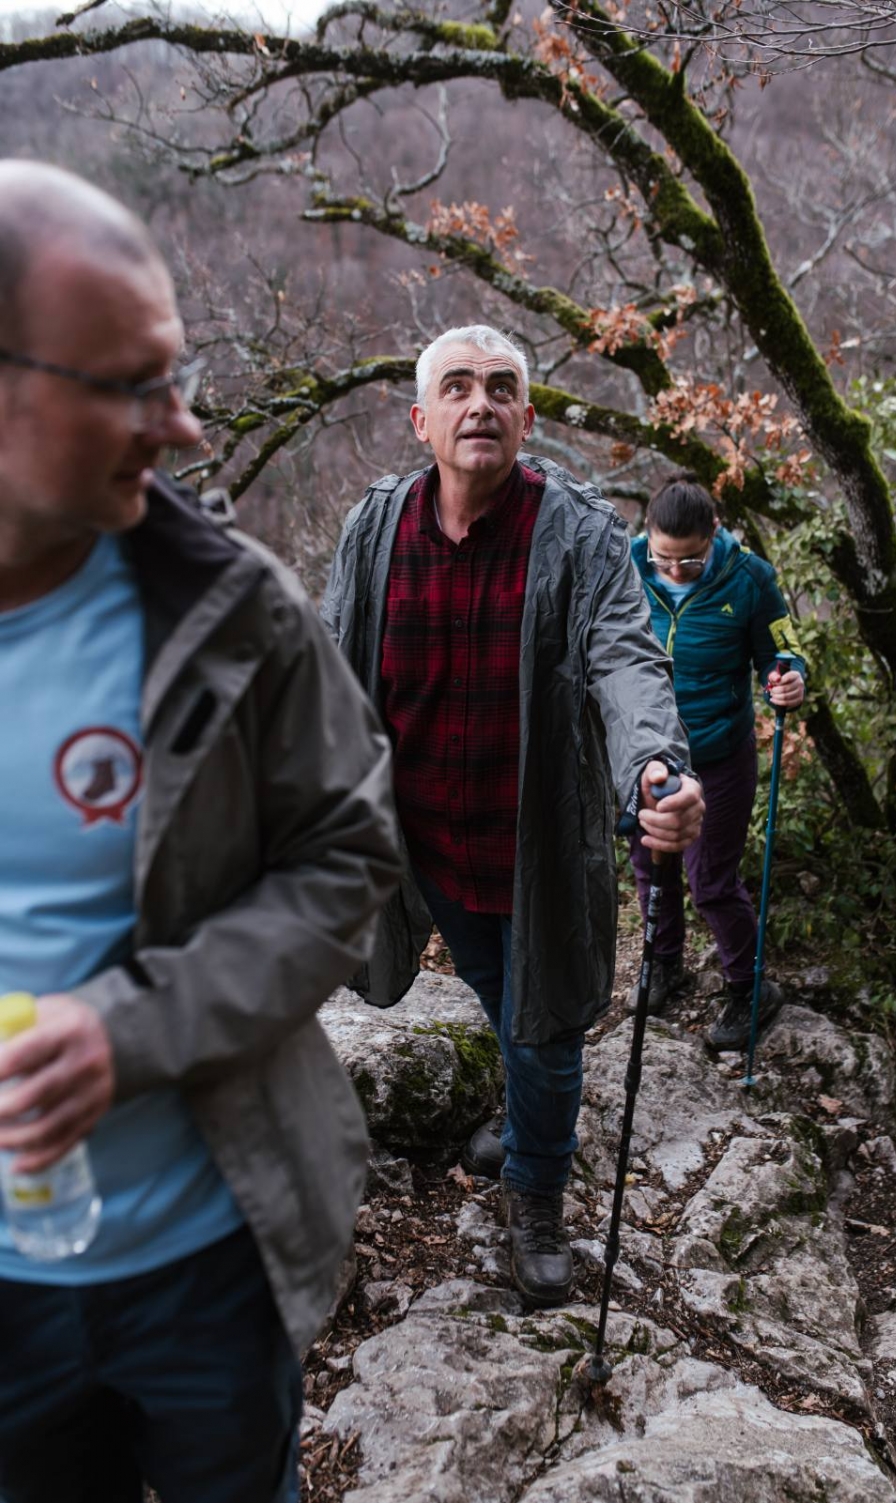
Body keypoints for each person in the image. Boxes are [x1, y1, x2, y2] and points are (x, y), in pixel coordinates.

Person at [0, 161, 400, 1503]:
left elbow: (347, 857)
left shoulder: (231, 611)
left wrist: (131, 1028)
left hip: (204, 1260)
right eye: (130, 383)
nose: (180, 425)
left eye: (179, 373)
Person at [322, 323, 704, 1309]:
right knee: (510, 1007)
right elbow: (323, 666)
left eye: (500, 388)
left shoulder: (572, 532)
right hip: (426, 852)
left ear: (526, 419)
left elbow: (625, 657)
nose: (479, 403)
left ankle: (537, 1185)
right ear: (422, 419)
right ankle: (533, 1117)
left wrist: (653, 768)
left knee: (545, 1027)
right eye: (456, 387)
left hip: (534, 848)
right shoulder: (374, 531)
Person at [627, 472, 806, 1050]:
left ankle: (751, 988)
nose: (675, 572)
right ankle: (664, 963)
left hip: (720, 755)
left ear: (715, 535)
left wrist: (788, 678)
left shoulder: (750, 577)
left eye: (692, 562)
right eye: (665, 560)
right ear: (647, 538)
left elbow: (782, 648)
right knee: (651, 865)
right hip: (646, 754)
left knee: (710, 881)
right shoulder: (624, 568)